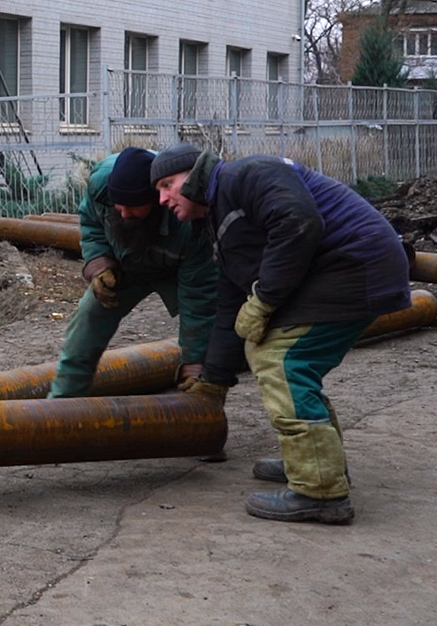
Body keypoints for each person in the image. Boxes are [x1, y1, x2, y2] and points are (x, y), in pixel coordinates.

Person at [150, 142, 410, 525]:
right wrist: (213, 382)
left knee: (282, 361)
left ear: (195, 174)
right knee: (288, 361)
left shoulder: (245, 174)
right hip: (347, 268)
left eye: (167, 185)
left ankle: (319, 491)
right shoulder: (220, 216)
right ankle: (317, 465)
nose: (162, 198)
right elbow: (229, 306)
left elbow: (298, 222)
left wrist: (265, 300)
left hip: (357, 265)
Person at [47, 147, 217, 399]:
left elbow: (199, 303)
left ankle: (200, 401)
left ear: (157, 198)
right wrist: (99, 264)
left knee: (215, 334)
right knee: (88, 318)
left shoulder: (188, 220)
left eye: (133, 208)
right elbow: (91, 222)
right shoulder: (102, 181)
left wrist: (195, 365)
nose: (124, 214)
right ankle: (60, 404)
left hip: (177, 269)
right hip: (123, 264)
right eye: (119, 207)